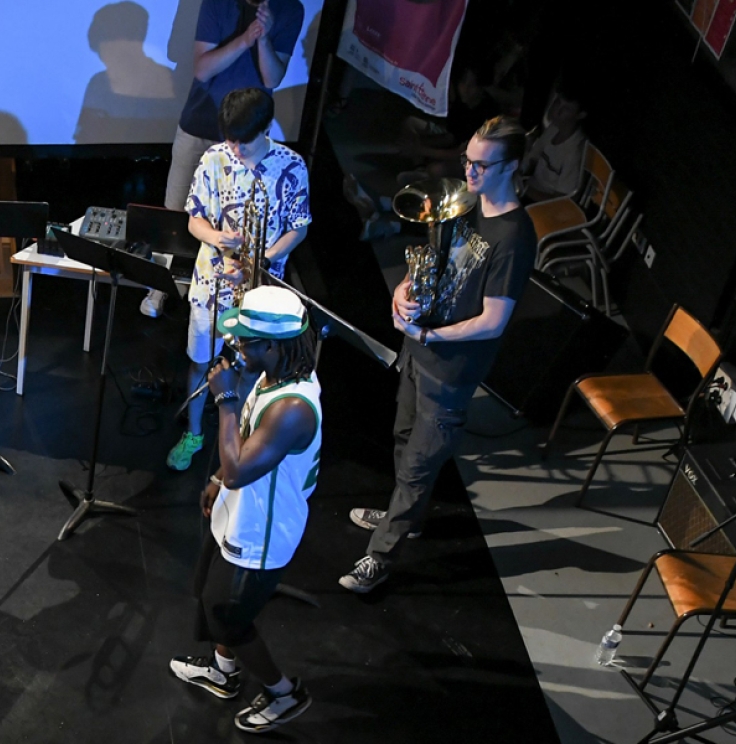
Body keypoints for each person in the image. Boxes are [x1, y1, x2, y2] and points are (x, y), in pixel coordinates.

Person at [341, 116, 538, 593]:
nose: (468, 173)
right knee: (403, 438)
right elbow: (433, 259)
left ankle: (380, 557)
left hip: (449, 368)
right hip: (417, 350)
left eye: (481, 165)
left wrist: (432, 338)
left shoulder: (514, 236)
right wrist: (402, 293)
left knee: (418, 465)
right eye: (468, 161)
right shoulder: (466, 206)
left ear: (510, 167)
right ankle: (404, 518)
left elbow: (494, 321)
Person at [167, 285, 321, 734]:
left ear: (273, 345)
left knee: (227, 614)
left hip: (262, 531)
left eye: (244, 341)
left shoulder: (293, 408)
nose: (235, 348)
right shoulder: (275, 374)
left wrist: (225, 399)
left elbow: (237, 468)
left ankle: (284, 692)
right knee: (206, 589)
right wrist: (215, 481)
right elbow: (237, 464)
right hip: (239, 510)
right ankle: (223, 671)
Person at [166, 87, 310, 473]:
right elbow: (194, 217)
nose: (235, 149)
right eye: (230, 140)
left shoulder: (291, 166)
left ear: (265, 129)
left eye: (242, 142)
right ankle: (195, 433)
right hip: (212, 283)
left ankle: (240, 440)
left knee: (251, 369)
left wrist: (259, 259)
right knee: (201, 361)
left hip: (261, 289)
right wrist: (216, 238)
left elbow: (298, 228)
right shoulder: (214, 158)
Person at [145, 0, 304, 317]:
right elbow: (203, 68)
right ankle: (158, 288)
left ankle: (218, 291)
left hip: (249, 137)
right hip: (200, 125)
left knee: (232, 221)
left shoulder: (289, 9)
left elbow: (271, 78)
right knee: (176, 211)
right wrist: (246, 37)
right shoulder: (217, 3)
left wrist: (263, 37)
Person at [519, 83, 588, 203]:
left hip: (542, 204)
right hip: (530, 186)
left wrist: (523, 188)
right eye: (557, 103)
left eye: (566, 109)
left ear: (580, 115)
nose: (557, 111)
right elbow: (533, 158)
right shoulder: (554, 128)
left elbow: (562, 199)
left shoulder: (574, 152)